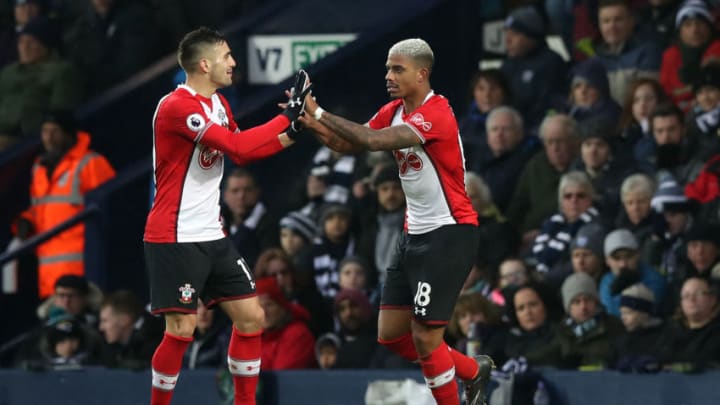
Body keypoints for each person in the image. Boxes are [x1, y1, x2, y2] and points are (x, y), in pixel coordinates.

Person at [299, 38, 493, 405]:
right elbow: (348, 144)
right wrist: (308, 123)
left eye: (397, 69)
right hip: (412, 234)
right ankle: (471, 370)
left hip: (449, 233)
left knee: (425, 338)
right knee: (391, 335)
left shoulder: (437, 113)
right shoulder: (394, 110)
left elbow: (372, 141)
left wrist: (321, 113)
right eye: (388, 68)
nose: (388, 75)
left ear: (422, 74)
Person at [142, 27, 310, 405]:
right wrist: (287, 118)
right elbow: (235, 143)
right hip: (175, 235)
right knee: (182, 329)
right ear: (204, 64)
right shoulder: (177, 107)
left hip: (212, 233)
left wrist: (293, 128)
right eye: (227, 56)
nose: (234, 62)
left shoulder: (217, 103)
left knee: (251, 318)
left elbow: (243, 154)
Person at [13, 111, 115, 299]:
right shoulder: (39, 168)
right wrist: (25, 222)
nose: (49, 138)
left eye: (55, 131)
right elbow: (41, 209)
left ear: (70, 134)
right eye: (45, 131)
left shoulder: (91, 163)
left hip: (83, 273)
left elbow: (112, 208)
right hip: (48, 275)